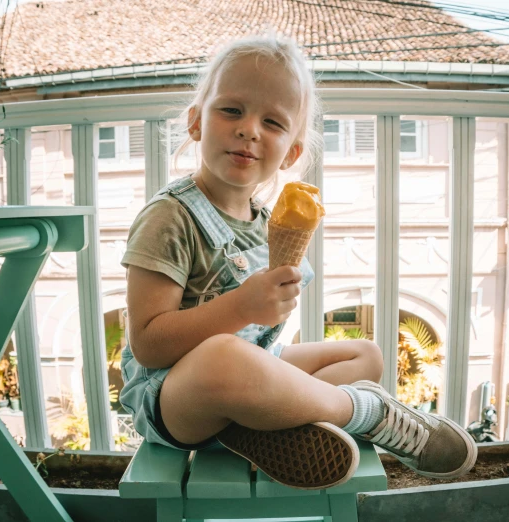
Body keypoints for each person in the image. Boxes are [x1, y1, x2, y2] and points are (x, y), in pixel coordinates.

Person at [119, 35, 477, 490]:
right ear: (196, 123)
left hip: (247, 370)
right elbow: (149, 344)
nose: (249, 129)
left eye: (272, 121)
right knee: (223, 356)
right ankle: (367, 412)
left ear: (291, 152)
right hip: (173, 398)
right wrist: (242, 308)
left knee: (363, 353)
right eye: (231, 110)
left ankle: (264, 425)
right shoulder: (168, 217)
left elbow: (260, 342)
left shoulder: (267, 220)